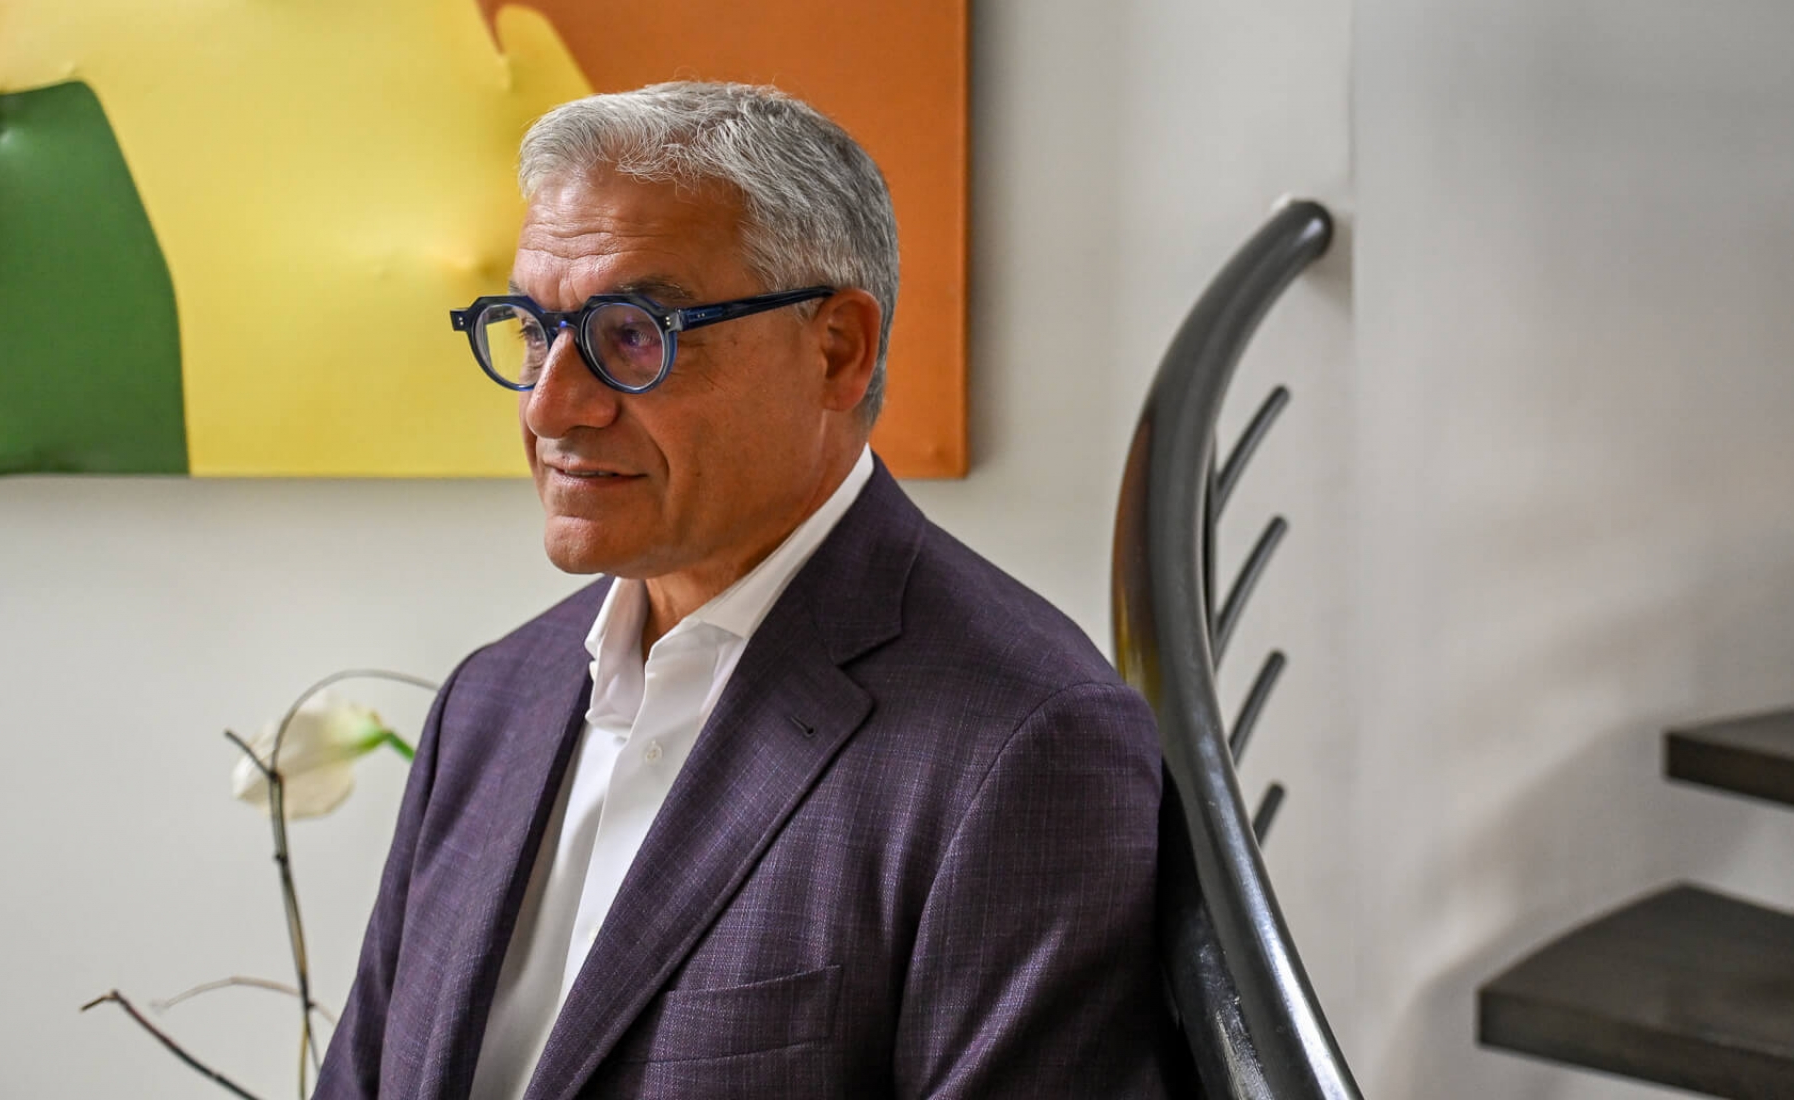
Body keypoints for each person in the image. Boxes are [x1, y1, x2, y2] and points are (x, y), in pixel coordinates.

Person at [315, 82, 1170, 1100]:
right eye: (531, 330)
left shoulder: (1027, 743)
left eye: (630, 334)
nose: (551, 407)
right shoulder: (492, 703)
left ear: (835, 350)